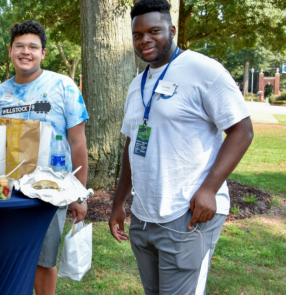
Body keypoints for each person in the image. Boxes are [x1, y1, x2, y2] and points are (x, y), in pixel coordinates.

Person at [108, 0, 254, 294]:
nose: (145, 40)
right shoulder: (138, 84)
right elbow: (132, 144)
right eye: (137, 35)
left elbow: (242, 130)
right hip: (145, 216)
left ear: (171, 29)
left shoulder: (203, 70)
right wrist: (119, 202)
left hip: (188, 214)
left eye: (154, 31)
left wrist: (209, 189)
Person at [0, 20, 89, 295]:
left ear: (43, 53)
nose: (25, 52)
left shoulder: (63, 87)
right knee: (8, 256)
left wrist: (79, 194)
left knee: (44, 260)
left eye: (33, 46)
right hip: (6, 189)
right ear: (10, 51)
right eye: (19, 46)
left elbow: (78, 142)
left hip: (51, 190)